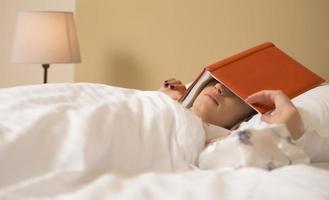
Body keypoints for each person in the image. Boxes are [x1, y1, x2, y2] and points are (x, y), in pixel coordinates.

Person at [159, 78, 304, 140]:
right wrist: (157, 100)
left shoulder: (222, 141)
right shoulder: (160, 103)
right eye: (216, 81)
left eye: (234, 93)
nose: (219, 87)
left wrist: (284, 131)